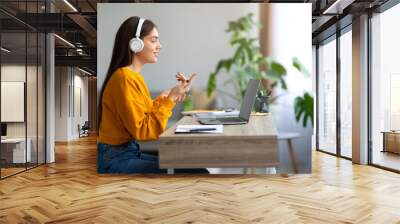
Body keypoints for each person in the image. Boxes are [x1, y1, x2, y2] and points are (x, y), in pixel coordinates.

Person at [97, 16, 208, 174]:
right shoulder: (124, 78)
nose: (159, 46)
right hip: (115, 158)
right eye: (154, 40)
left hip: (126, 152)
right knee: (194, 171)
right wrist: (169, 99)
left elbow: (145, 116)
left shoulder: (131, 77)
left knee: (192, 167)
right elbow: (145, 131)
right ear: (136, 44)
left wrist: (167, 96)